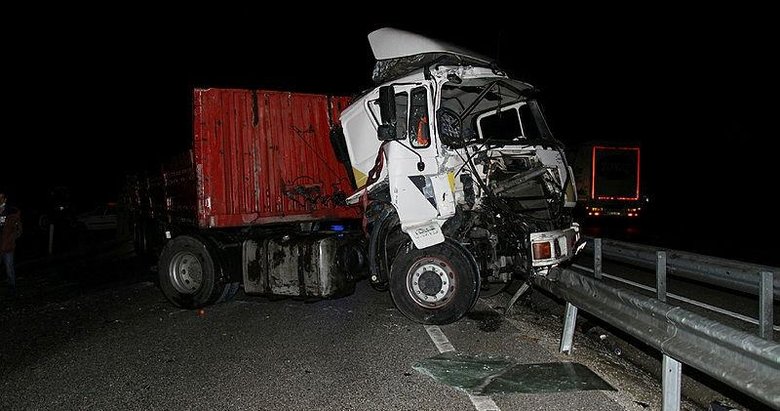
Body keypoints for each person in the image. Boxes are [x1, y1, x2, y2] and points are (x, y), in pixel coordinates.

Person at [0, 191, 22, 296]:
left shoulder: (11, 211)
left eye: (1, 197)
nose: (0, 200)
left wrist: (11, 238)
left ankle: (12, 287)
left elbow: (19, 230)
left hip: (8, 246)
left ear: (5, 199)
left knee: (9, 268)